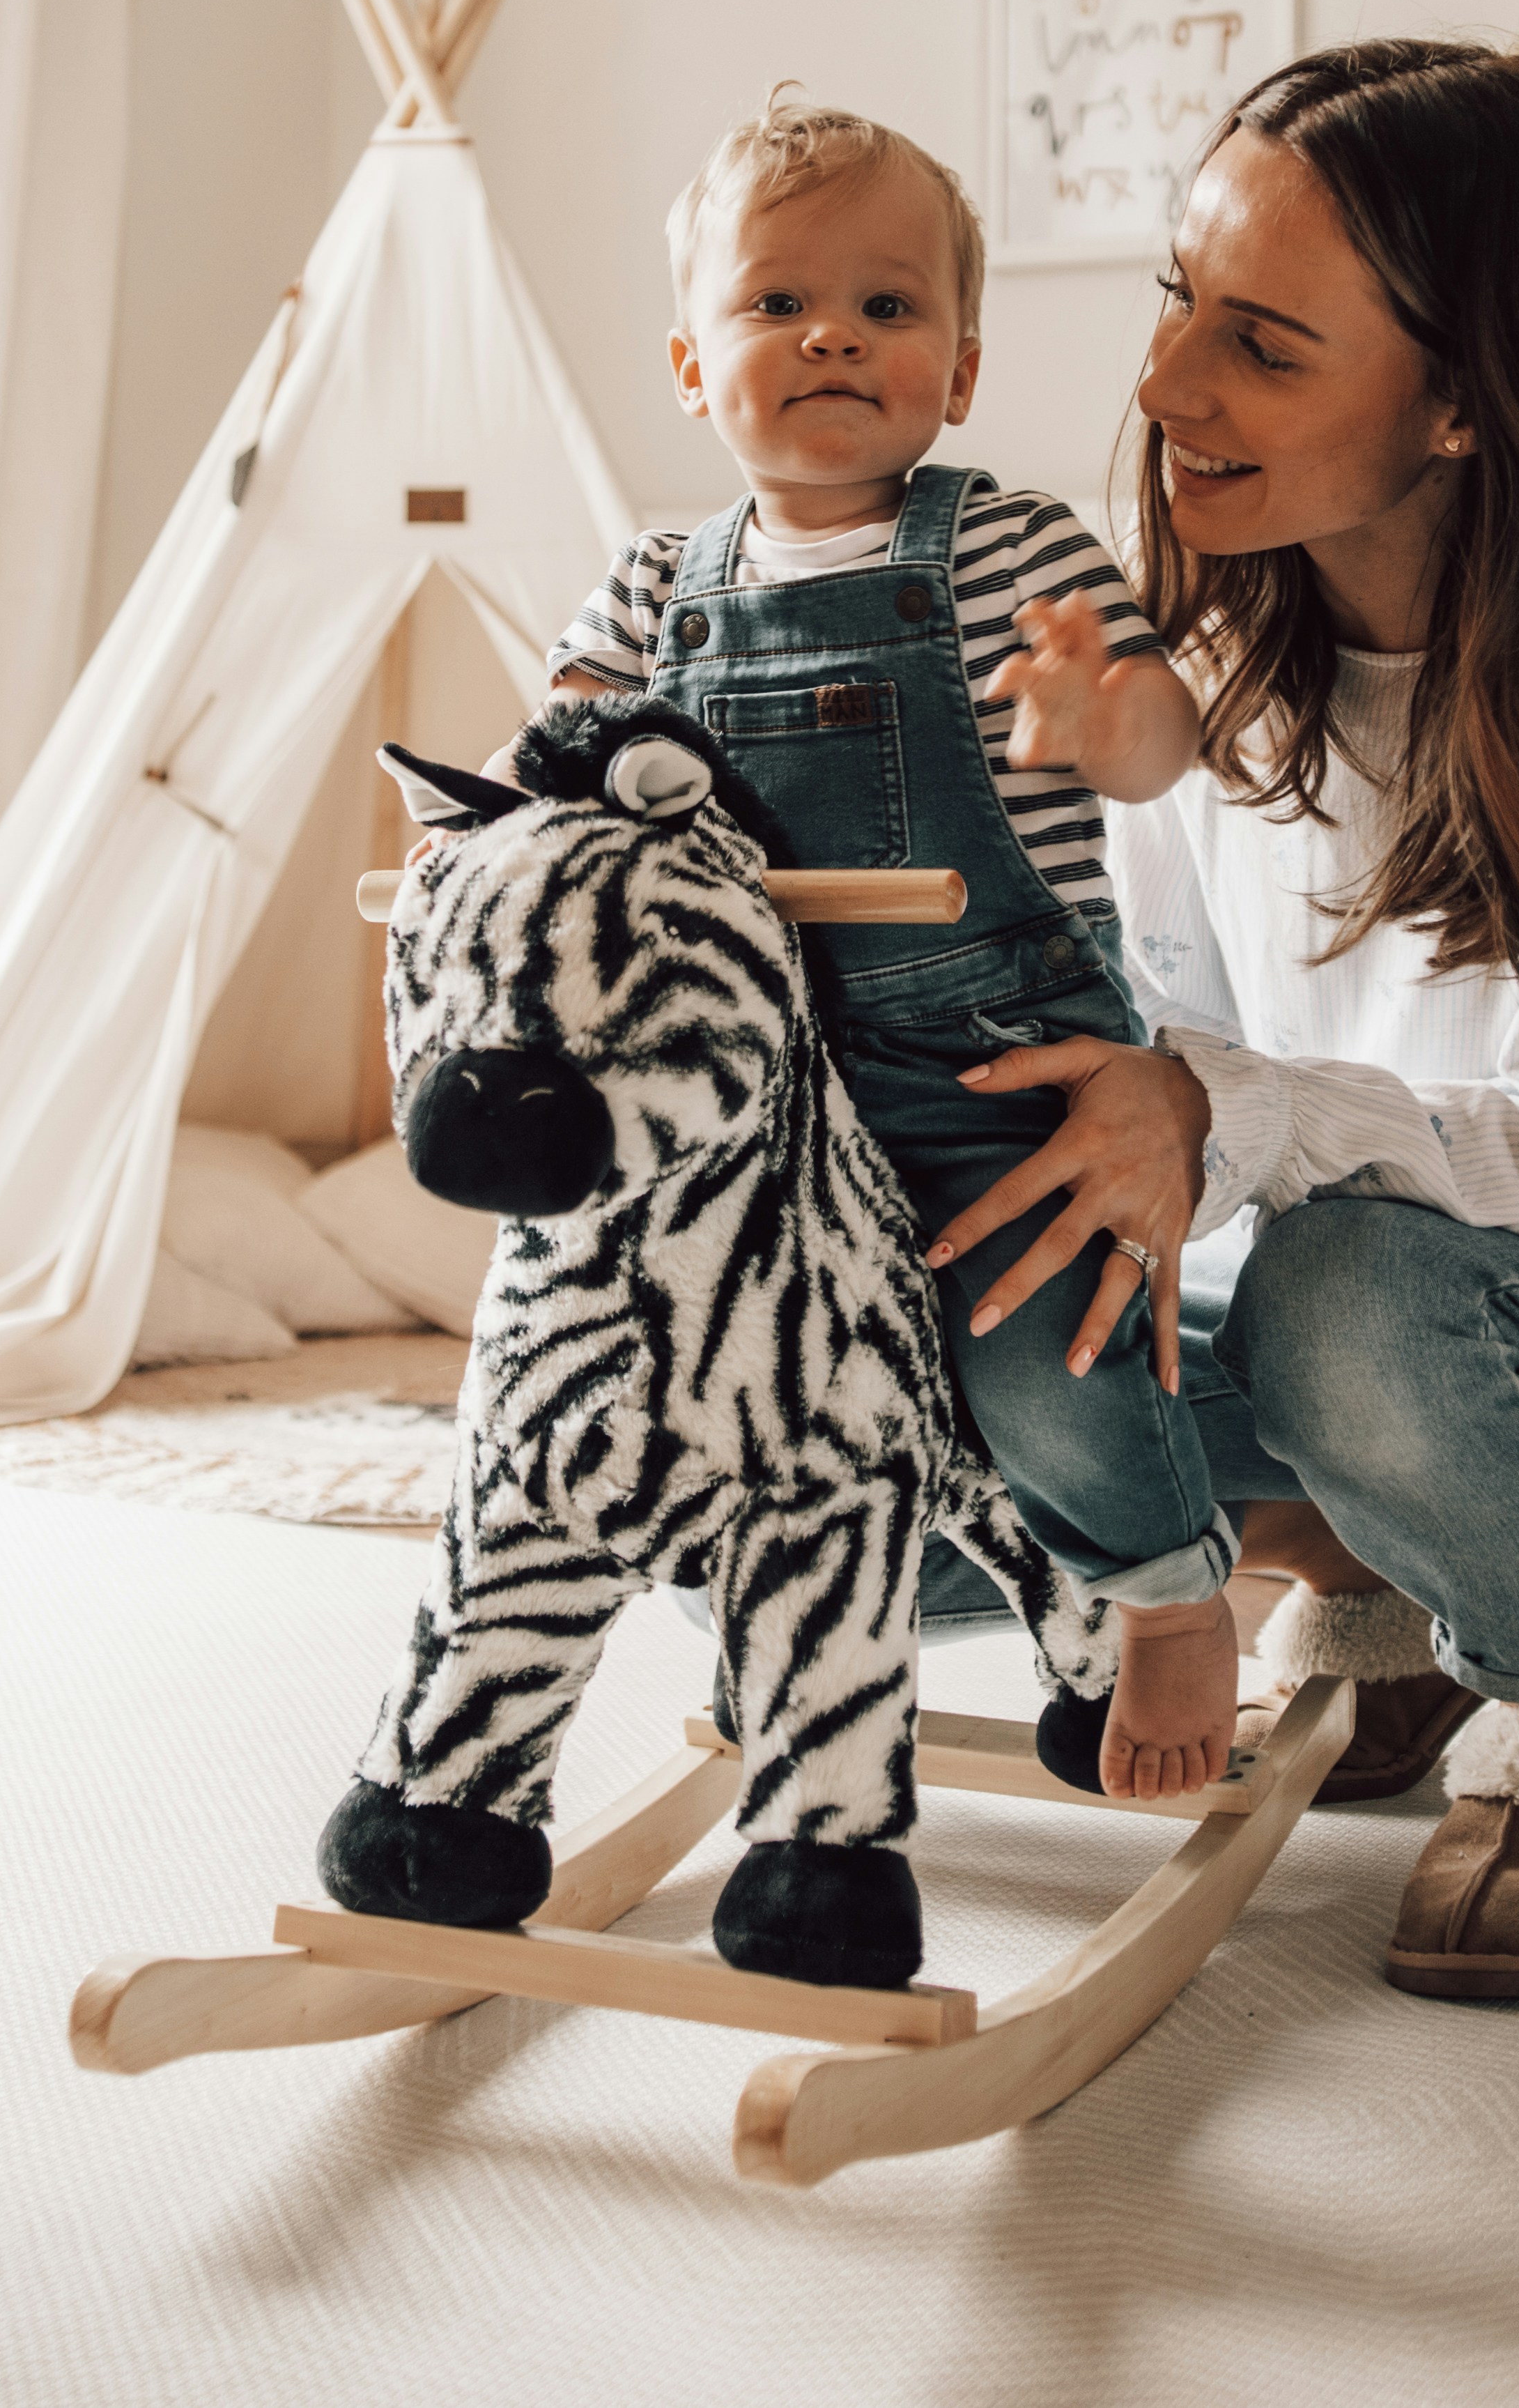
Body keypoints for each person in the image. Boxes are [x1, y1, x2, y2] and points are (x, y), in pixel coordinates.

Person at [920, 38, 1519, 2001]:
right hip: (1343, 1318)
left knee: (1340, 1287)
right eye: (1174, 298)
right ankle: (1368, 1603)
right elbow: (1161, 1034)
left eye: (1262, 343)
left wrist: (1214, 1116)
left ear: (1468, 399)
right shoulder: (1207, 679)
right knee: (972, 1303)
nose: (1162, 387)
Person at [514, 88, 1242, 1797]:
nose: (832, 331)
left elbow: (1161, 752)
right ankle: (812, 1623)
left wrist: (1100, 707)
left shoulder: (1008, 547)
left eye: (888, 306)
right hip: (754, 1097)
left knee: (1045, 1363)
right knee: (724, 1388)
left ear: (959, 370)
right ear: (694, 369)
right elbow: (546, 772)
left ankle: (1166, 1594)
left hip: (992, 1067)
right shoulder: (647, 588)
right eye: (776, 302)